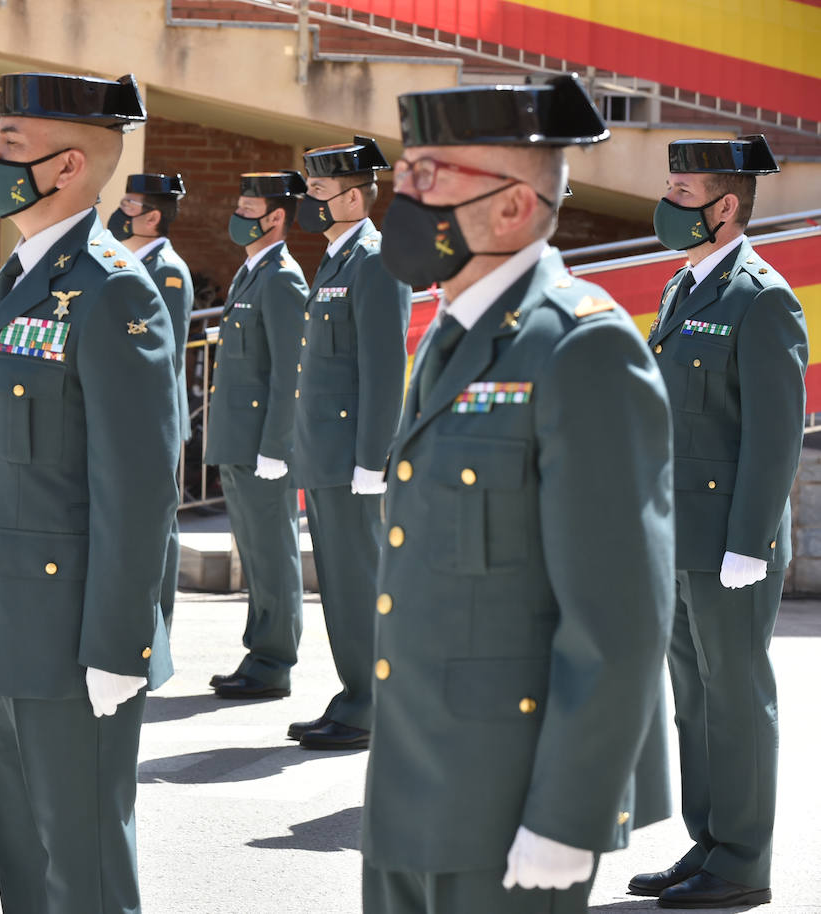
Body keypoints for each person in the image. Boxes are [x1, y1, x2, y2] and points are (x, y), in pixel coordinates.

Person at [362, 74, 675, 913]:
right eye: (405, 170)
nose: (403, 191)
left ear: (511, 208)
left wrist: (570, 816)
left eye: (430, 174)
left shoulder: (582, 350)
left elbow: (619, 617)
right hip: (413, 778)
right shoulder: (453, 334)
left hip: (510, 798)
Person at [0, 71, 179, 914]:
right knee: (24, 845)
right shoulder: (23, 273)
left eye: (8, 143)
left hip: (72, 630)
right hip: (1, 613)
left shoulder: (113, 289)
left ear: (68, 164)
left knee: (79, 853)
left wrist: (120, 644)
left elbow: (141, 484)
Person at [629, 134, 806, 909]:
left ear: (724, 206)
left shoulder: (762, 297)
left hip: (730, 540)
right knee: (693, 697)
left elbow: (776, 435)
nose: (668, 205)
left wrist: (749, 542)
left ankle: (743, 861)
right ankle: (708, 842)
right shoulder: (681, 288)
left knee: (735, 695)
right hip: (676, 530)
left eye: (682, 192)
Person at [287, 137, 410, 750]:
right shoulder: (338, 257)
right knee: (338, 584)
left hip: (352, 460)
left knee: (360, 584)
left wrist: (373, 460)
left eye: (316, 192)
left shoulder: (375, 260)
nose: (305, 202)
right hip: (326, 453)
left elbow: (385, 369)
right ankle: (354, 691)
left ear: (353, 197)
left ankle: (372, 702)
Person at [204, 170, 309, 699]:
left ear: (276, 219)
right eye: (239, 207)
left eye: (249, 211)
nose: (239, 217)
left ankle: (274, 661)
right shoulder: (254, 272)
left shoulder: (283, 277)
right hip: (239, 439)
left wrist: (276, 446)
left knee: (272, 553)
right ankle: (260, 652)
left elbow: (292, 370)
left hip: (261, 446)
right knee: (255, 550)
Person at [109, 172, 194, 632]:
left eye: (129, 205)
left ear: (153, 216)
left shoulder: (168, 271)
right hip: (124, 411)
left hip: (151, 416)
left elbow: (168, 355)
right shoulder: (125, 260)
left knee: (159, 523)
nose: (120, 213)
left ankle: (157, 623)